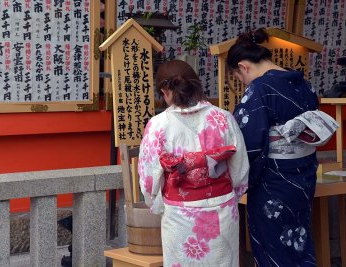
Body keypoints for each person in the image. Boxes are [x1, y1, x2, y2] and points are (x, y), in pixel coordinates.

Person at [226, 28, 338, 266]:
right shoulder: (302, 83)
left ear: (244, 66)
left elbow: (250, 144)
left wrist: (239, 178)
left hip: (273, 182)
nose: (243, 83)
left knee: (273, 246)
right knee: (298, 242)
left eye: (239, 77)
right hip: (304, 176)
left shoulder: (260, 89)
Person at [138, 59, 249, 266]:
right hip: (222, 209)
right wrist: (230, 196)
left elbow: (148, 178)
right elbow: (240, 170)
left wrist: (156, 204)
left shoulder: (158, 126)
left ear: (166, 90)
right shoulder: (223, 118)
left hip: (180, 213)